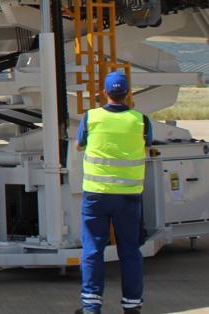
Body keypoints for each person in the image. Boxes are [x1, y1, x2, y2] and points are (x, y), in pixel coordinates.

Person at [76, 70, 152, 314]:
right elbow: (147, 145)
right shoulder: (141, 120)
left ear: (105, 93)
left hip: (96, 196)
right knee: (129, 250)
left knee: (93, 250)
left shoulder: (91, 117)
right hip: (128, 197)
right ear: (127, 94)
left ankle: (91, 306)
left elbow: (79, 144)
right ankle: (132, 306)